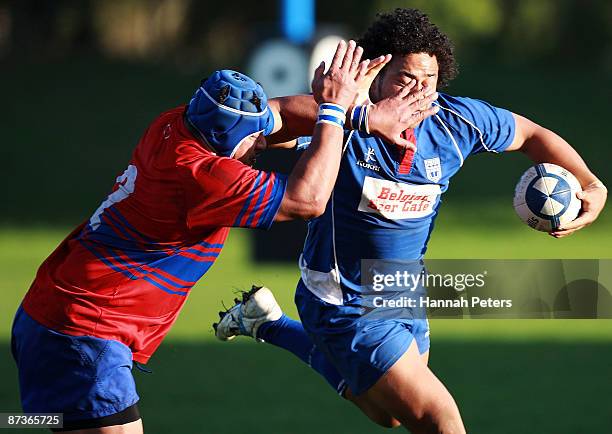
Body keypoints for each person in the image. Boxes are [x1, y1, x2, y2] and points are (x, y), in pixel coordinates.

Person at [11, 39, 439, 433]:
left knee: (48, 422)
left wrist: (360, 115)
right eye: (254, 139)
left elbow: (279, 111)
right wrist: (331, 112)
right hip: (86, 331)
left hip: (62, 314)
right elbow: (306, 201)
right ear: (223, 144)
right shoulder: (203, 177)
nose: (263, 143)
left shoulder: (179, 123)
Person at [215, 8, 608, 433]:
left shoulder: (456, 123)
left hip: (403, 291)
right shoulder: (346, 122)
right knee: (440, 420)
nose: (420, 93)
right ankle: (282, 325)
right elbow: (269, 122)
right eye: (406, 79)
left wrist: (591, 184)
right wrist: (342, 110)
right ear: (377, 74)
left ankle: (269, 325)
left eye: (430, 81)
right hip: (343, 301)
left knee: (391, 416)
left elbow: (532, 135)